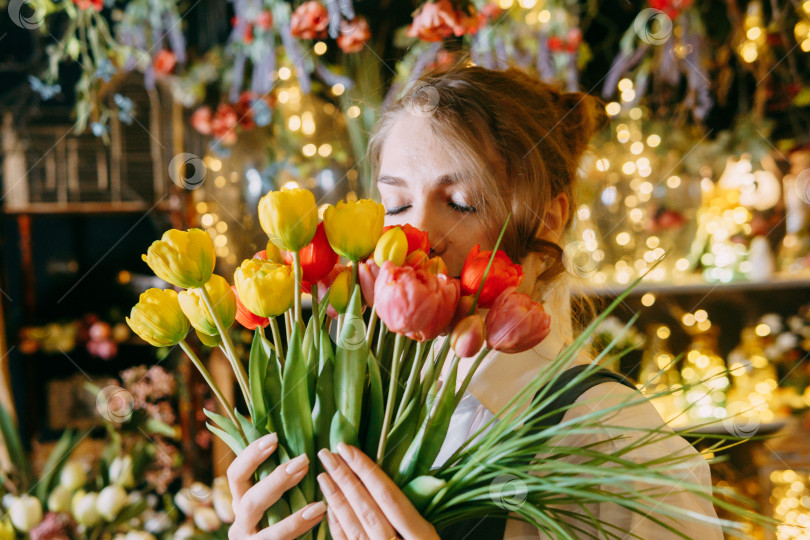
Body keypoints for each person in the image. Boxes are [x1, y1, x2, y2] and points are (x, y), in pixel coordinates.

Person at [225, 64, 724, 539]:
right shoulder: (335, 411)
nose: (415, 233)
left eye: (462, 202)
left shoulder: (611, 436)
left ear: (549, 219)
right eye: (395, 204)